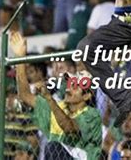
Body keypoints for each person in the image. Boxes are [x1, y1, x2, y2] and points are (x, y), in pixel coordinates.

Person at [10, 31, 102, 159]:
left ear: (87, 96)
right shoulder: (59, 107)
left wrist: (49, 99)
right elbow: (25, 95)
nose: (69, 89)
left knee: (53, 146)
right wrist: (19, 57)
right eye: (70, 84)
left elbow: (69, 127)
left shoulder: (92, 115)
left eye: (75, 87)